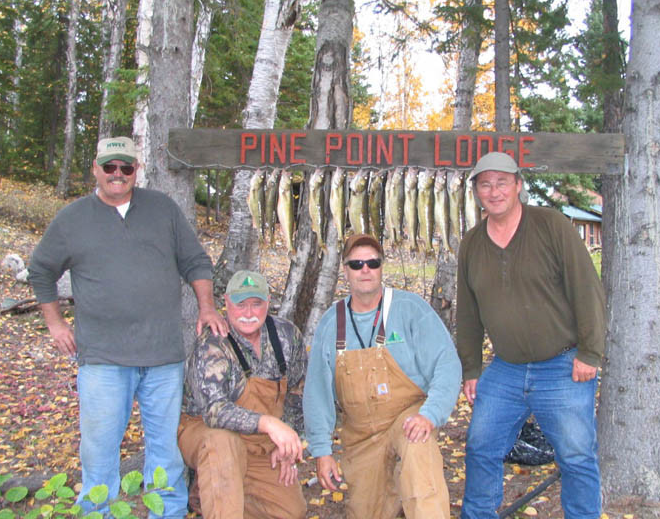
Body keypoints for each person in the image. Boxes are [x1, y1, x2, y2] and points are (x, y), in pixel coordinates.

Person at [28, 136, 227, 518]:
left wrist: (207, 307)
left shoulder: (163, 209)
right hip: (103, 360)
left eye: (126, 167)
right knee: (99, 452)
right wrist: (54, 324)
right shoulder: (72, 219)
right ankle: (97, 513)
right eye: (110, 167)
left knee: (165, 453)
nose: (117, 175)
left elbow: (196, 262)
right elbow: (41, 271)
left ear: (137, 170)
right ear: (96, 169)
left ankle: (166, 513)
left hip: (163, 359)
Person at [456, 151, 607, 519]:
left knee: (576, 456)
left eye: (502, 182)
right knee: (481, 447)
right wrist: (472, 368)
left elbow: (586, 290)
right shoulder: (472, 244)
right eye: (485, 184)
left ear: (518, 185)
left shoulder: (552, 226)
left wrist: (590, 352)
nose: (494, 191)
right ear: (476, 191)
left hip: (563, 366)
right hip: (505, 369)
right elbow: (468, 313)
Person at [303, 234, 462, 519]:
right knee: (367, 510)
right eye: (357, 264)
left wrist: (430, 415)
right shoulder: (331, 322)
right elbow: (316, 394)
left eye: (372, 263)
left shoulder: (410, 309)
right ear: (345, 270)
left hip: (407, 416)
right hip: (361, 435)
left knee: (419, 453)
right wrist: (322, 451)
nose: (365, 269)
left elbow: (447, 365)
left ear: (381, 267)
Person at [178, 270, 307, 519]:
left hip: (259, 443)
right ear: (226, 304)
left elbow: (297, 392)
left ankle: (211, 491)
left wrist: (287, 446)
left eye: (256, 304)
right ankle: (217, 487)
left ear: (268, 302)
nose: (249, 313)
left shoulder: (287, 336)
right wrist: (269, 423)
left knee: (291, 512)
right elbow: (214, 412)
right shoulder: (212, 344)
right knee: (222, 443)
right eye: (241, 305)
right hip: (204, 431)